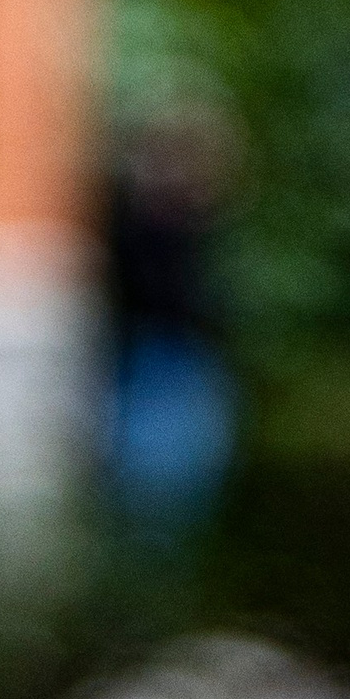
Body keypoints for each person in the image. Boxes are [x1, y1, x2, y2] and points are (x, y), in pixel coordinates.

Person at [99, 99, 240, 543]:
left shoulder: (189, 220)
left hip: (183, 359)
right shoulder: (131, 217)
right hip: (150, 359)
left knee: (179, 493)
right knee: (149, 489)